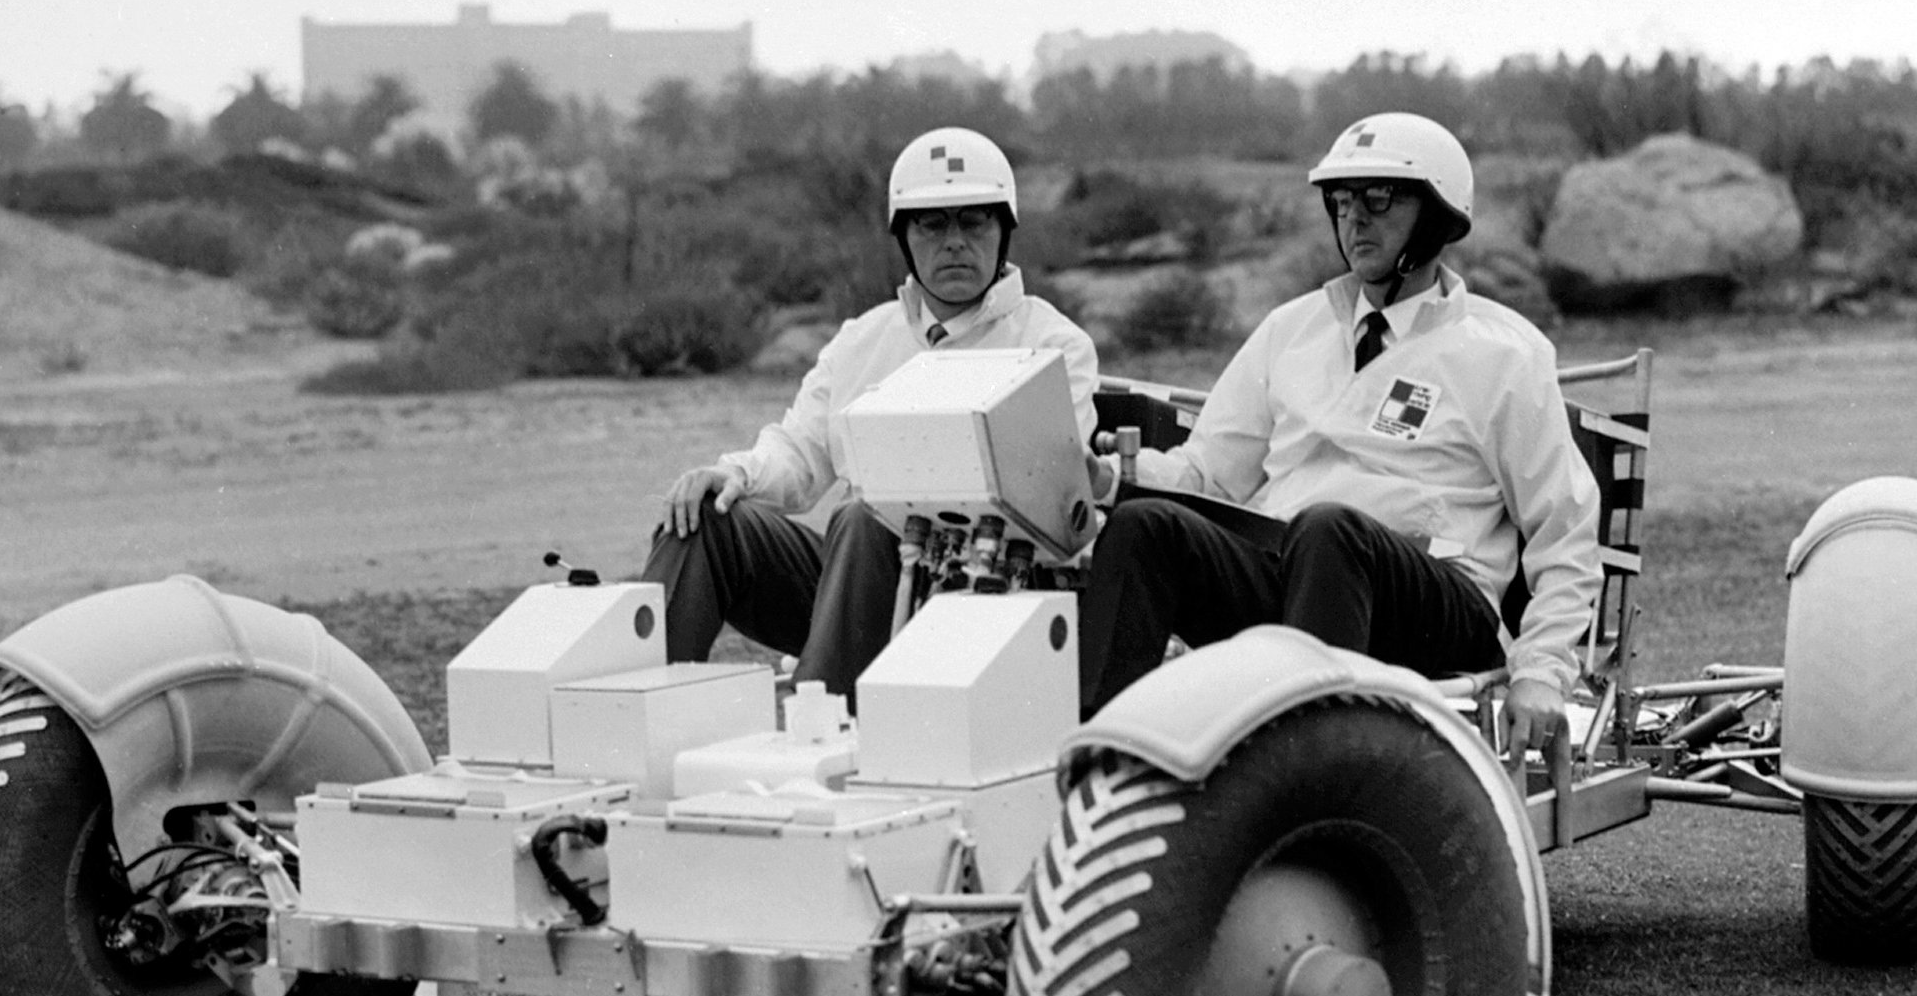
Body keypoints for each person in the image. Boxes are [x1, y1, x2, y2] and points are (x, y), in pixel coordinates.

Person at [1077, 112, 1601, 746]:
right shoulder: (1291, 330)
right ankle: (1089, 766)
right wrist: (1109, 479)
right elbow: (1207, 474)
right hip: (1293, 570)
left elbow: (1564, 527)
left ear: (1435, 215)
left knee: (1330, 528)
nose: (1355, 219)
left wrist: (1542, 673)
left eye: (1379, 200)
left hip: (1430, 598)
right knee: (1146, 529)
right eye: (1343, 200)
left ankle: (1307, 776)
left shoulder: (1504, 354)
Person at [643, 127, 1098, 695]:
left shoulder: (1055, 344)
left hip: (988, 597)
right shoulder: (863, 340)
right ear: (904, 237)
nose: (955, 241)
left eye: (974, 220)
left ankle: (827, 726)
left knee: (864, 517)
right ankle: (632, 719)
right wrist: (734, 473)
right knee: (706, 512)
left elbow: (1057, 504)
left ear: (1004, 230)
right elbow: (799, 454)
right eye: (933, 224)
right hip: (858, 587)